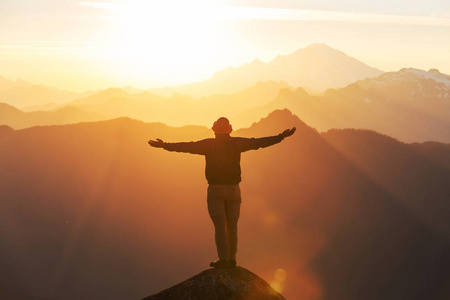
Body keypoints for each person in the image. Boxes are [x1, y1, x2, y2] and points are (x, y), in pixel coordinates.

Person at [148, 117, 296, 268]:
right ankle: (232, 260)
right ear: (229, 130)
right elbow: (257, 143)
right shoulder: (237, 143)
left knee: (220, 227)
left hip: (215, 190)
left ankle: (223, 260)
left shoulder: (208, 145)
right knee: (232, 226)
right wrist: (280, 137)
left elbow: (187, 146)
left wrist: (165, 145)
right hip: (234, 190)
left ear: (214, 129)